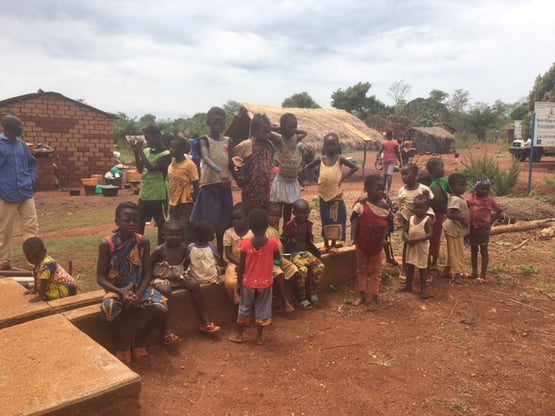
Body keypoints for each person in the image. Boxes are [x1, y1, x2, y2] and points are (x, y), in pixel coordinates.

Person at [97, 202, 168, 364]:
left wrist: (139, 294)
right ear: (117, 221)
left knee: (161, 307)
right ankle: (122, 342)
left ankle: (140, 338)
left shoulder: (143, 241)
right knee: (107, 309)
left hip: (139, 288)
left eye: (135, 221)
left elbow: (148, 272)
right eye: (126, 220)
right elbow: (100, 277)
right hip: (116, 289)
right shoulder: (107, 244)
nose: (131, 224)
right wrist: (122, 293)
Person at [150, 221, 220, 344]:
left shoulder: (184, 248)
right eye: (171, 235)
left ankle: (204, 319)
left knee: (194, 284)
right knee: (165, 290)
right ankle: (166, 329)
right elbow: (149, 267)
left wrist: (183, 276)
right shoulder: (159, 250)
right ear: (163, 236)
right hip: (161, 277)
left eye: (178, 234)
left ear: (183, 236)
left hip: (177, 276)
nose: (175, 237)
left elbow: (185, 264)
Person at [228, 208, 281, 345]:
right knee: (262, 308)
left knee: (244, 307)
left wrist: (239, 283)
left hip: (248, 283)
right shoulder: (273, 243)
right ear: (266, 225)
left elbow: (242, 266)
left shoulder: (245, 244)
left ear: (250, 226)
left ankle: (239, 335)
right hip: (266, 282)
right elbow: (278, 260)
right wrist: (268, 261)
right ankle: (259, 337)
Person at [190, 107, 233, 256]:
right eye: (215, 123)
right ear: (208, 122)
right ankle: (200, 255)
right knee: (205, 224)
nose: (218, 126)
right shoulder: (204, 140)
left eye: (221, 123)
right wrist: (219, 170)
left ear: (225, 124)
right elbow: (205, 157)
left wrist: (238, 177)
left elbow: (231, 162)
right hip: (209, 186)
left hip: (224, 187)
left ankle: (220, 255)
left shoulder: (228, 141)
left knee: (223, 224)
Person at [305, 133, 358, 255]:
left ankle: (334, 244)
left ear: (337, 145)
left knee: (335, 219)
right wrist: (314, 178)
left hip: (336, 195)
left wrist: (343, 177)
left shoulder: (340, 159)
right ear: (324, 145)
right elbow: (307, 168)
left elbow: (354, 168)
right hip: (323, 195)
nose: (330, 146)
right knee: (325, 219)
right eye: (328, 144)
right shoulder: (321, 159)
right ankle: (326, 244)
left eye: (333, 144)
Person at [0, 115, 39, 270]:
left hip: (25, 192)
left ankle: (35, 258)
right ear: (8, 127)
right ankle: (3, 261)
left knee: (31, 226)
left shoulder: (22, 145)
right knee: (4, 229)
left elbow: (32, 163)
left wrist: (31, 178)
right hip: (6, 194)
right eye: (19, 126)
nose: (21, 128)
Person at [350, 175, 391, 311]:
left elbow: (388, 224)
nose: (380, 192)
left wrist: (384, 238)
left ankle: (374, 297)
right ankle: (362, 294)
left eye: (382, 189)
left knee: (375, 271)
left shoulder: (385, 206)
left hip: (377, 245)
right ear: (366, 189)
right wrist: (353, 237)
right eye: (377, 189)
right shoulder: (361, 204)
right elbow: (354, 219)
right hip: (362, 243)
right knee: (361, 269)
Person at [130, 125, 172, 245]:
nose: (148, 142)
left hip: (159, 195)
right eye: (147, 139)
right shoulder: (147, 151)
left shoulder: (166, 154)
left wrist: (140, 151)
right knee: (139, 223)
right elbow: (140, 169)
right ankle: (137, 249)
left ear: (158, 137)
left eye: (150, 139)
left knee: (161, 225)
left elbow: (152, 168)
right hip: (145, 194)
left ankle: (161, 250)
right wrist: (136, 153)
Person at [233, 114, 281, 211]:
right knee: (251, 215)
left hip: (266, 189)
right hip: (251, 190)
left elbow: (280, 141)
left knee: (263, 216)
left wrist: (271, 130)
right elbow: (231, 160)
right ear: (254, 131)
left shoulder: (269, 145)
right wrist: (238, 179)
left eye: (269, 132)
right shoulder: (247, 145)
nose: (267, 135)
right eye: (264, 132)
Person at [282, 199, 325, 310]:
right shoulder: (290, 225)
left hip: (306, 253)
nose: (303, 215)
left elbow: (309, 241)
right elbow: (283, 240)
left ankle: (311, 291)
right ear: (294, 213)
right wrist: (286, 257)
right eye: (299, 213)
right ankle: (301, 298)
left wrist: (316, 252)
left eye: (305, 212)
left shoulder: (308, 225)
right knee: (302, 270)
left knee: (319, 267)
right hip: (294, 253)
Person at [397, 164, 434, 281]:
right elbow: (402, 207)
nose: (403, 176)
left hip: (422, 223)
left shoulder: (424, 189)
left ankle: (426, 270)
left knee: (424, 248)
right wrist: (402, 222)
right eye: (402, 174)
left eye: (406, 174)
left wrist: (429, 220)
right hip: (409, 223)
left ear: (416, 175)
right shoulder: (402, 191)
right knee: (406, 245)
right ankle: (404, 268)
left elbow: (430, 204)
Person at [269, 113, 307, 226]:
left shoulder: (296, 138)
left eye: (295, 127)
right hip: (282, 182)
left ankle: (286, 235)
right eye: (291, 127)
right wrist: (277, 129)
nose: (294, 130)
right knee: (277, 211)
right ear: (283, 128)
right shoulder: (279, 139)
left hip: (292, 182)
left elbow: (305, 132)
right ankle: (275, 234)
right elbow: (266, 129)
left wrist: (292, 130)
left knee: (288, 212)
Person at [22, 237, 79, 302]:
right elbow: (36, 276)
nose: (34, 260)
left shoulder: (47, 265)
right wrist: (35, 290)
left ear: (44, 252)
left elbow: (44, 282)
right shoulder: (38, 262)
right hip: (55, 285)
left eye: (37, 257)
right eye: (30, 258)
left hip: (67, 288)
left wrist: (41, 296)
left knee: (48, 297)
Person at [467, 179, 502, 282]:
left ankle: (482, 275)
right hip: (473, 227)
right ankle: (474, 273)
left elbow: (499, 210)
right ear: (476, 189)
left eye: (487, 189)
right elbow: (466, 207)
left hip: (484, 228)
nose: (485, 191)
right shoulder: (471, 199)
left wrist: (491, 221)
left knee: (484, 250)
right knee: (473, 250)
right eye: (482, 189)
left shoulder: (490, 200)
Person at [399, 195, 433, 298]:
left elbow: (430, 234)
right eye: (416, 207)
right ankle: (408, 285)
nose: (418, 210)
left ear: (427, 208)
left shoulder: (427, 220)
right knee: (410, 266)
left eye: (421, 207)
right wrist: (407, 239)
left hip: (421, 247)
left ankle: (424, 290)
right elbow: (405, 230)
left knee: (422, 268)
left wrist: (415, 240)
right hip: (411, 246)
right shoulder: (411, 218)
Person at [266, 201, 297, 312]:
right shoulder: (265, 231)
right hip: (269, 260)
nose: (275, 218)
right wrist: (277, 260)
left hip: (278, 258)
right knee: (278, 272)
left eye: (277, 216)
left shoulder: (274, 230)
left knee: (293, 268)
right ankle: (284, 301)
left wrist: (279, 259)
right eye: (272, 216)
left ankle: (281, 295)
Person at [167, 137, 199, 245]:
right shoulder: (171, 164)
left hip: (185, 204)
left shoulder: (190, 165)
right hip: (173, 204)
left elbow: (196, 184)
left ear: (182, 150)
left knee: (186, 234)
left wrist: (197, 204)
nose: (171, 150)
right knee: (174, 232)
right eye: (170, 147)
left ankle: (189, 257)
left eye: (174, 148)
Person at [223, 203, 253, 304]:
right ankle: (237, 300)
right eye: (233, 219)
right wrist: (240, 264)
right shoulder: (229, 233)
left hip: (250, 263)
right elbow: (228, 253)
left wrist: (246, 265)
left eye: (239, 218)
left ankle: (250, 303)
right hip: (234, 263)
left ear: (248, 218)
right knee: (230, 282)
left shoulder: (252, 233)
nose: (235, 221)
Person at [443, 173, 470, 283]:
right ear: (452, 186)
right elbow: (449, 213)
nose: (463, 187)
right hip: (454, 229)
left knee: (451, 250)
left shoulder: (458, 198)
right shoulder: (455, 200)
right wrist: (462, 218)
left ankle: (447, 269)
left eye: (464, 185)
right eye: (460, 185)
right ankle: (456, 273)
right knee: (457, 252)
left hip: (454, 229)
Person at [426, 158, 450, 270]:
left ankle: (434, 261)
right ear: (434, 171)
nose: (443, 169)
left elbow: (452, 193)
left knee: (435, 239)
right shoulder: (430, 184)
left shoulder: (445, 182)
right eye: (441, 167)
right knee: (430, 238)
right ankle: (428, 260)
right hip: (431, 214)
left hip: (440, 214)